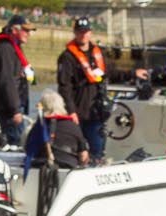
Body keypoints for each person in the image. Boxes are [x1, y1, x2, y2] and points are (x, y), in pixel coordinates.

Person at [57, 18, 110, 164]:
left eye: (86, 32)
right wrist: (71, 110)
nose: (83, 35)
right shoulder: (67, 57)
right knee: (77, 151)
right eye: (80, 32)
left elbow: (108, 73)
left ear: (90, 33)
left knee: (97, 150)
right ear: (75, 33)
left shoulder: (97, 53)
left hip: (95, 112)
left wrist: (132, 74)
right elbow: (64, 86)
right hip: (77, 112)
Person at [0, 16, 35, 146]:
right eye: (25, 31)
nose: (29, 34)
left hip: (11, 105)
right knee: (16, 141)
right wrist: (15, 110)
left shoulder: (13, 47)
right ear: (14, 30)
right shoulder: (6, 49)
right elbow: (7, 80)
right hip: (8, 108)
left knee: (15, 138)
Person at [23, 89, 88, 169]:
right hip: (68, 166)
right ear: (62, 106)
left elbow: (28, 151)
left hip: (41, 166)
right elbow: (83, 156)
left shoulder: (37, 127)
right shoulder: (74, 127)